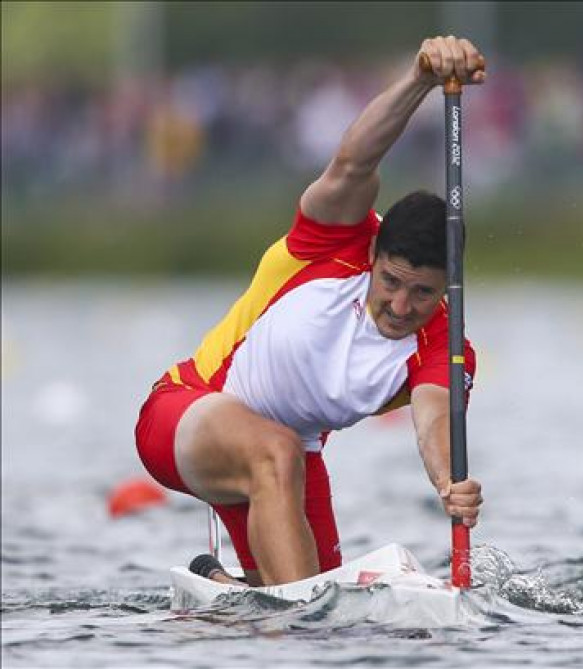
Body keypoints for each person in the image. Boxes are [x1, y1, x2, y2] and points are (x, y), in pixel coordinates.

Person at [134, 36, 486, 587]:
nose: (400, 306)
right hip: (186, 412)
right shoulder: (332, 244)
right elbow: (355, 161)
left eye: (422, 294)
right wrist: (419, 78)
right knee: (278, 461)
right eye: (390, 281)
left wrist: (447, 483)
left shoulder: (446, 345)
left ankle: (224, 590)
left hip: (290, 459)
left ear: (447, 289)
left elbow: (433, 420)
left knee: (319, 603)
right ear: (373, 254)